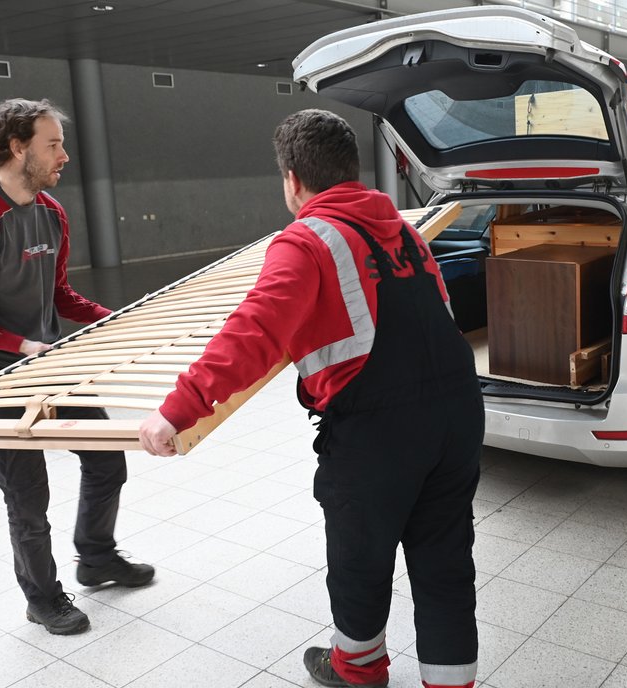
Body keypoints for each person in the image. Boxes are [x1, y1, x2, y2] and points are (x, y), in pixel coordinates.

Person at [139, 109, 483, 688]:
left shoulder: (306, 238)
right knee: (445, 562)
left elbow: (253, 330)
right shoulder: (402, 230)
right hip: (457, 411)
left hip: (378, 429)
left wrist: (177, 410)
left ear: (293, 180)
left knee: (360, 558)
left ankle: (358, 667)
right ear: (353, 171)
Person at [0, 98, 155, 636]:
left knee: (107, 462)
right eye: (53, 144)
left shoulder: (51, 212)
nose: (65, 155)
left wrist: (113, 317)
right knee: (27, 495)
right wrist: (18, 345)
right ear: (18, 148)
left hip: (45, 355)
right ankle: (42, 597)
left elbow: (59, 294)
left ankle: (97, 558)